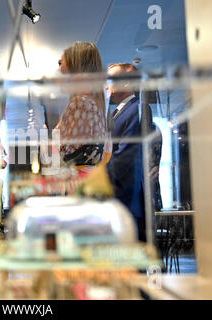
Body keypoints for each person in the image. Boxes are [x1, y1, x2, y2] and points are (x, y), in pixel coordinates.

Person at [106, 63, 155, 242]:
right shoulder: (117, 113)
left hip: (127, 201)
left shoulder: (138, 109)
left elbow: (124, 157)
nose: (106, 85)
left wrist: (96, 175)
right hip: (119, 200)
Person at [54, 42, 107, 175]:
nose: (58, 70)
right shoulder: (93, 103)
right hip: (89, 178)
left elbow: (63, 151)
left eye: (61, 63)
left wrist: (53, 136)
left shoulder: (81, 103)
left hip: (78, 179)